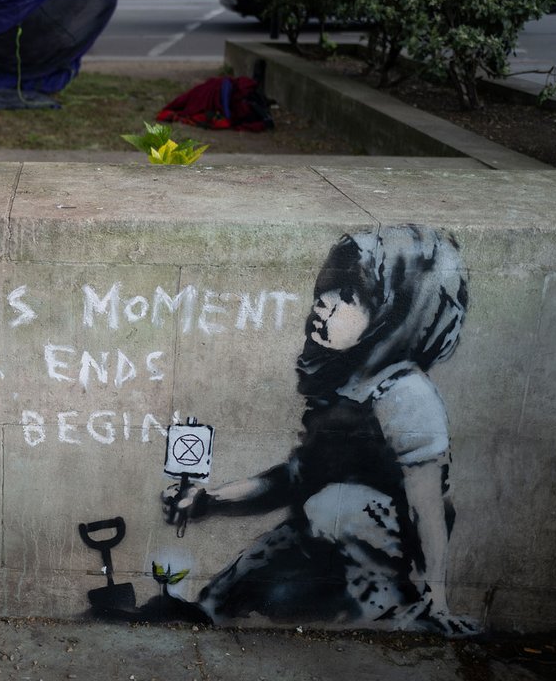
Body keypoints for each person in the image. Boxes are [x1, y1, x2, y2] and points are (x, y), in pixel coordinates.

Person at [164, 226, 478, 637]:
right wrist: (210, 499)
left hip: (374, 568)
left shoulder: (405, 394)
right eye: (328, 291)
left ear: (395, 312)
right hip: (317, 544)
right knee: (221, 600)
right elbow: (295, 477)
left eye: (349, 297)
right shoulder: (346, 387)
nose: (324, 306)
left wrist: (436, 597)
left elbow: (428, 505)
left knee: (331, 509)